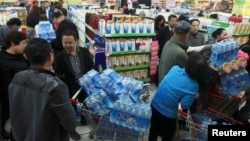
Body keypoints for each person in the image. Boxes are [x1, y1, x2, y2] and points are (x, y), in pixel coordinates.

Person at [8, 38, 81, 141]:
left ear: (27, 56)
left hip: (21, 134)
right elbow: (69, 121)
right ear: (50, 56)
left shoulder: (17, 77)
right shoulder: (56, 86)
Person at [149, 53, 209, 141]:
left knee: (153, 130)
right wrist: (194, 96)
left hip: (154, 105)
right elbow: (185, 105)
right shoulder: (193, 86)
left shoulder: (175, 68)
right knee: (168, 135)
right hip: (168, 115)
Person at [53, 30, 94, 124]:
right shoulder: (59, 57)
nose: (67, 45)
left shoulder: (85, 52)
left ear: (76, 41)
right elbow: (57, 73)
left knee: (85, 104)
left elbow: (91, 66)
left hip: (85, 84)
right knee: (72, 106)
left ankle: (85, 121)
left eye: (70, 42)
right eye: (65, 42)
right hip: (70, 86)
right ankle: (73, 122)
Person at [0, 30, 29, 139]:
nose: (24, 46)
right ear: (13, 43)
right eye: (23, 43)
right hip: (13, 97)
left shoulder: (20, 56)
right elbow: (6, 85)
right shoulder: (4, 61)